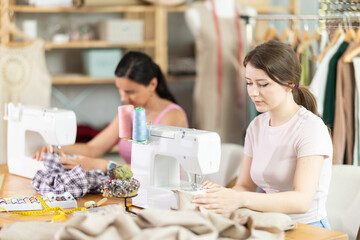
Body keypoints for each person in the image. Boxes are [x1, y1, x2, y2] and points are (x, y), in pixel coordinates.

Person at [193, 40, 333, 229]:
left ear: (289, 84)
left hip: (308, 228)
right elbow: (244, 186)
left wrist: (240, 198)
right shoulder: (256, 126)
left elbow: (301, 201)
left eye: (263, 84)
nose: (253, 92)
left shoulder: (310, 128)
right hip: (271, 223)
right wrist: (223, 195)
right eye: (249, 83)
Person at [33, 51, 188, 173]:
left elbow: (155, 171)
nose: (123, 97)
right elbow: (92, 148)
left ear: (152, 84)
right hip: (136, 190)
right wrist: (56, 148)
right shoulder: (130, 112)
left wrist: (102, 165)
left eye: (130, 91)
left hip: (164, 194)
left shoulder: (172, 116)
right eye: (119, 90)